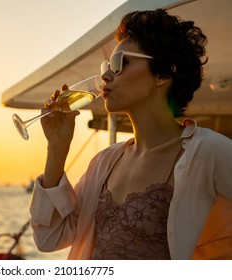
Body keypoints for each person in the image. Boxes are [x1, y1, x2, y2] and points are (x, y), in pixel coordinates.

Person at [29, 9, 232, 260]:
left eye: (118, 64)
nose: (105, 75)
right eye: (106, 66)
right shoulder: (104, 162)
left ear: (163, 74)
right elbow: (50, 236)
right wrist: (57, 147)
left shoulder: (210, 151)